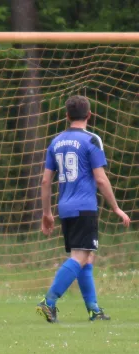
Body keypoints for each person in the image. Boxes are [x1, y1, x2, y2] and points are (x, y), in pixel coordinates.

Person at [36, 95, 130, 323]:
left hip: (65, 208)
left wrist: (47, 213)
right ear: (89, 115)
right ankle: (48, 302)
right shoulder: (92, 140)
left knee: (86, 258)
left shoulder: (56, 142)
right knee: (80, 256)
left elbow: (46, 181)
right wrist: (116, 208)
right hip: (85, 207)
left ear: (67, 116)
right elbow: (100, 179)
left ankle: (93, 310)